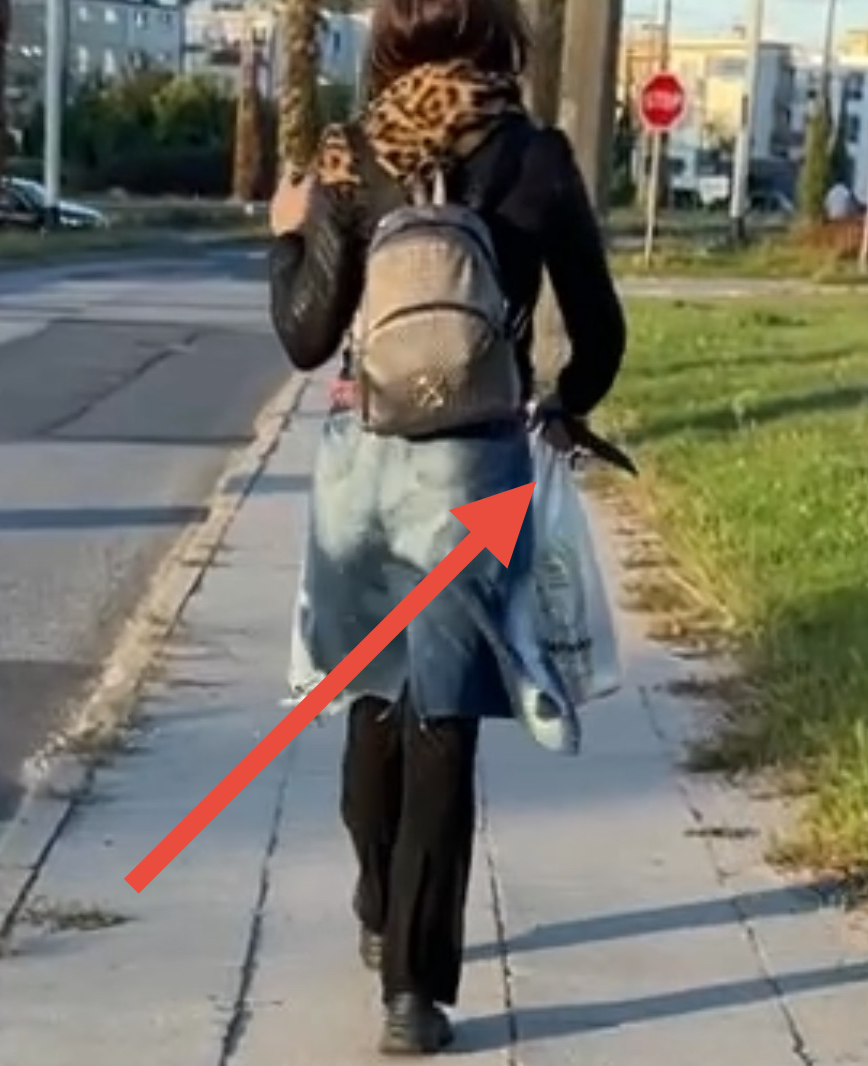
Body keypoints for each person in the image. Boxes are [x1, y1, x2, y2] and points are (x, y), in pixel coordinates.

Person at [268, 0, 626, 1054]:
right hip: (478, 472)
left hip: (363, 468)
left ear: (391, 37)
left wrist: (287, 236)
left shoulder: (351, 154)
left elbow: (305, 336)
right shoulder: (536, 156)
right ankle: (414, 998)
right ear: (499, 33)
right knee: (446, 723)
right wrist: (559, 403)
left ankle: (378, 903)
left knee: (371, 698)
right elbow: (600, 334)